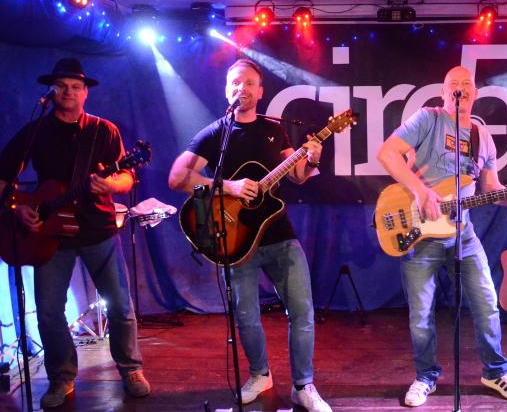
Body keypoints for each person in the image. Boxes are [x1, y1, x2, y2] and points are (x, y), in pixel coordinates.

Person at [168, 58, 331, 411]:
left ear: (260, 91)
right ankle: (260, 374)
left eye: (248, 83)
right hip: (236, 242)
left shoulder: (274, 131)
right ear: (228, 90)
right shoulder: (214, 134)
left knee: (302, 311)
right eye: (234, 82)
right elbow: (178, 178)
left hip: (279, 236)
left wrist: (313, 157)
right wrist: (228, 186)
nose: (240, 88)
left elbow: (297, 175)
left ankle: (303, 386)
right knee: (245, 316)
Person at [376, 66, 507, 407]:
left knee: (486, 306)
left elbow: (492, 189)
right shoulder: (428, 118)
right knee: (420, 317)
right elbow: (387, 153)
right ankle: (425, 377)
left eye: (467, 84)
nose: (461, 89)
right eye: (455, 84)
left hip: (463, 235)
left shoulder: (483, 136)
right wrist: (421, 191)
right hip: (420, 234)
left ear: (476, 94)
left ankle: (495, 371)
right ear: (444, 92)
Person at [0, 58, 150, 408]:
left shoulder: (104, 130)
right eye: (61, 86)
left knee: (122, 307)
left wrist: (108, 182)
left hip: (98, 230)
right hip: (50, 236)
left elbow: (127, 179)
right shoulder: (35, 131)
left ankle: (130, 369)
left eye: (75, 86)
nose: (68, 92)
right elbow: (3, 180)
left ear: (86, 93)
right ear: (51, 92)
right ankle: (61, 377)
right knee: (50, 310)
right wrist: (16, 208)